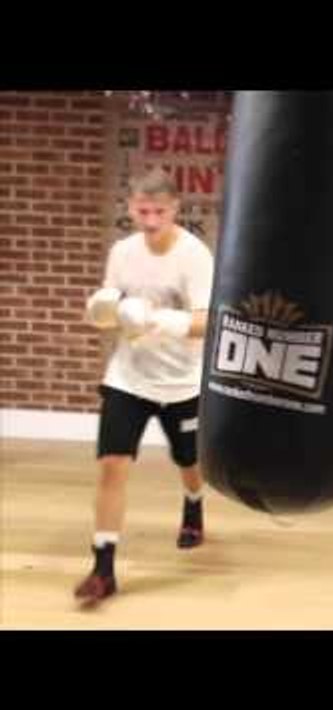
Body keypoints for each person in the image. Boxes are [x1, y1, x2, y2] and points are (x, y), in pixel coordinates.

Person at [74, 169, 215, 608]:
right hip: (128, 377)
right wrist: (102, 313)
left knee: (189, 460)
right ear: (131, 206)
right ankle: (103, 568)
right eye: (142, 210)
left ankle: (193, 503)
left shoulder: (195, 255)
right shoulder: (122, 252)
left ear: (175, 209)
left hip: (182, 382)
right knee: (112, 464)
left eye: (159, 211)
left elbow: (208, 321)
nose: (150, 219)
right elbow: (111, 307)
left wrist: (156, 319)